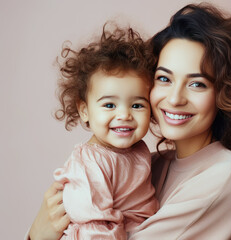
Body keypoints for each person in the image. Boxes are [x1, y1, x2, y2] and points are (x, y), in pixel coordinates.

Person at [27, 3, 231, 240]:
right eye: (164, 79)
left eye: (197, 83)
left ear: (226, 93)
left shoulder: (228, 178)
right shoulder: (148, 165)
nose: (175, 98)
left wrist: (40, 235)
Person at [31, 25, 159, 240]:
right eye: (109, 105)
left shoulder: (139, 150)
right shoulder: (89, 163)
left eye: (137, 106)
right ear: (84, 111)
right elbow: (93, 227)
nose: (124, 115)